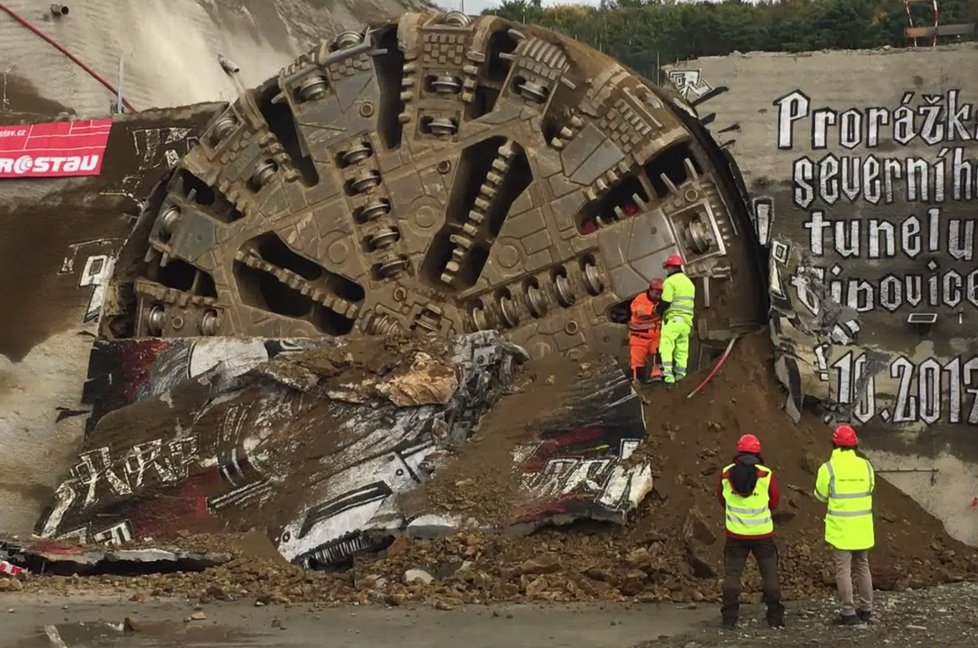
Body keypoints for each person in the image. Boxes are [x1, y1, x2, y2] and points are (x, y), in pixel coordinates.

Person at [717, 434, 785, 630]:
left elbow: (722, 500)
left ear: (739, 451)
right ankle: (775, 618)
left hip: (735, 535)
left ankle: (729, 618)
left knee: (732, 576)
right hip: (763, 535)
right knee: (770, 575)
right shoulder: (766, 474)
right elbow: (774, 501)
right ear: (758, 451)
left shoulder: (725, 474)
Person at [814, 424, 876, 626]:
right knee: (863, 567)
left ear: (834, 444)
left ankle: (848, 613)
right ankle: (866, 609)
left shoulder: (828, 468)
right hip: (862, 527)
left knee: (843, 570)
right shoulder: (866, 466)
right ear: (855, 444)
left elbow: (821, 496)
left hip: (841, 529)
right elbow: (870, 488)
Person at [656, 254, 695, 386]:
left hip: (673, 321)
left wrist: (658, 310)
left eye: (667, 268)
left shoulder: (670, 282)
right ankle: (681, 376)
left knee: (666, 347)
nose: (667, 270)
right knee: (682, 350)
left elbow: (666, 301)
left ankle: (668, 378)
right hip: (686, 323)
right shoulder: (689, 283)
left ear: (672, 267)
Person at [628, 278, 664, 383]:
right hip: (639, 338)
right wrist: (653, 310)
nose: (658, 296)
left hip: (656, 336)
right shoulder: (641, 299)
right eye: (656, 293)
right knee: (637, 364)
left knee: (660, 353)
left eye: (660, 293)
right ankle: (638, 384)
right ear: (650, 290)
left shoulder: (663, 301)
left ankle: (658, 376)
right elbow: (638, 311)